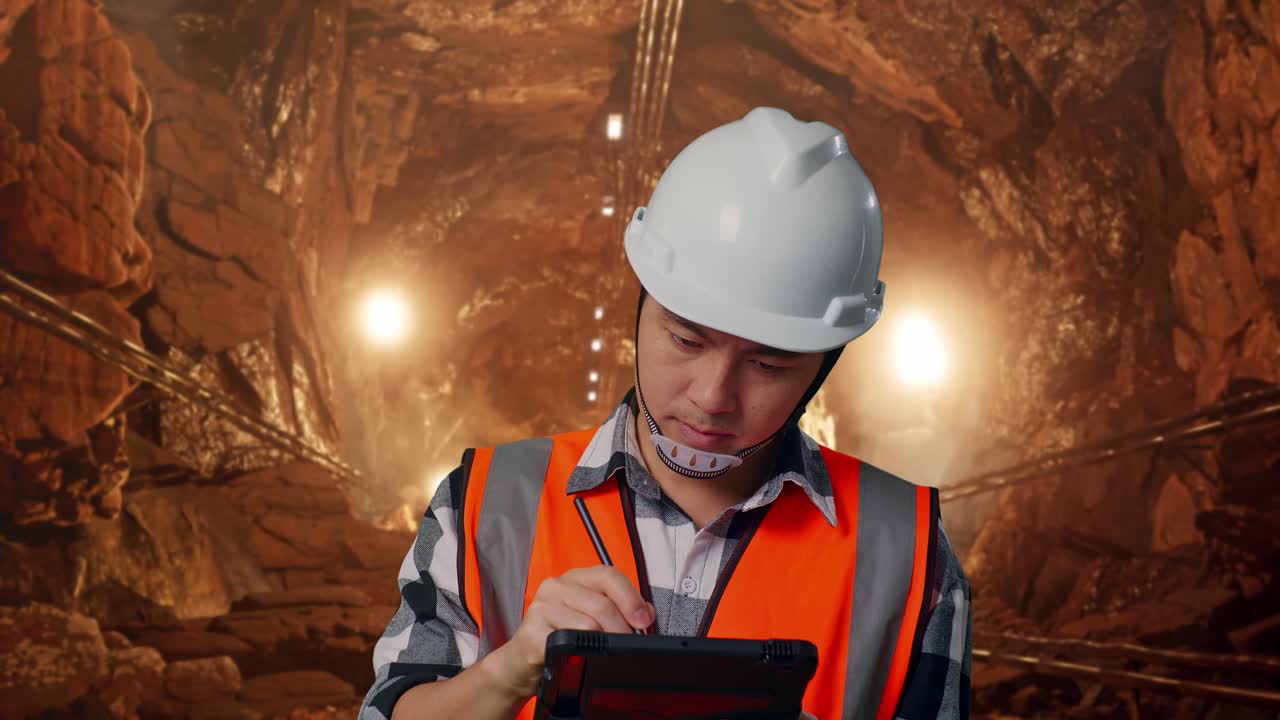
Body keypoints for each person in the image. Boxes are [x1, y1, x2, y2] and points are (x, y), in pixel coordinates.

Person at [358, 107, 972, 720]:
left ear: (825, 364)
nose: (712, 396)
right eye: (686, 340)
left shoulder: (908, 551)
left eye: (769, 364)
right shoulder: (487, 506)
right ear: (641, 306)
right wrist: (508, 670)